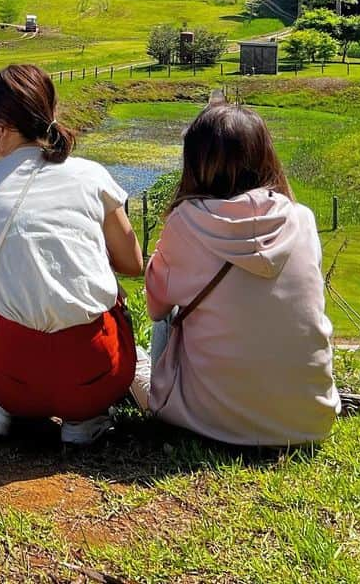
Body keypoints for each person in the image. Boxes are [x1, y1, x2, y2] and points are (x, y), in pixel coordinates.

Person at [0, 64, 143, 446]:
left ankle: (0, 408)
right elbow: (133, 263)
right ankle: (84, 416)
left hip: (8, 374)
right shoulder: (91, 175)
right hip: (97, 371)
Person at [143, 102, 339, 446]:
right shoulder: (301, 218)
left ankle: (162, 398)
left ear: (194, 160)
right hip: (311, 421)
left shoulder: (185, 222)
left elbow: (156, 309)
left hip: (211, 422)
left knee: (139, 354)